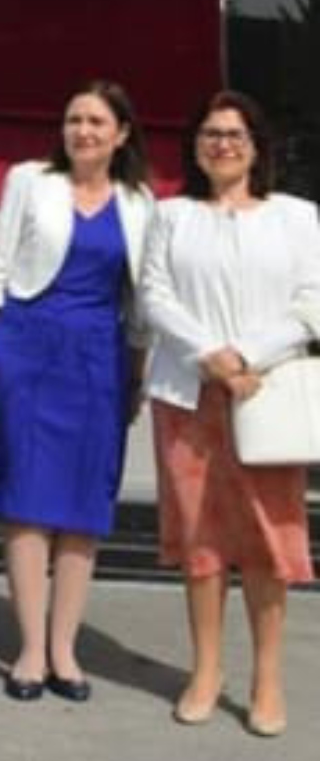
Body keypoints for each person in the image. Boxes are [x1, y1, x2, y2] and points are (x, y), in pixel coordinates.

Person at [0, 81, 154, 701]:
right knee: (28, 498)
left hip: (99, 356)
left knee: (82, 506)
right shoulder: (28, 180)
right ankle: (31, 650)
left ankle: (65, 649)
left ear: (122, 133)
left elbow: (142, 298)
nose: (83, 132)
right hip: (26, 348)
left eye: (96, 121)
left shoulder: (141, 201)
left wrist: (138, 373)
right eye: (73, 120)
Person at [140, 90, 318, 738]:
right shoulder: (171, 216)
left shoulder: (297, 218)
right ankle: (205, 670)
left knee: (269, 542)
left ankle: (267, 679)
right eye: (210, 133)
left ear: (256, 146)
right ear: (194, 146)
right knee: (200, 539)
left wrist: (246, 356)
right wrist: (209, 355)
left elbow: (311, 301)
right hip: (187, 395)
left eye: (235, 134)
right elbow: (153, 293)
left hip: (267, 398)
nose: (222, 144)